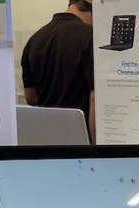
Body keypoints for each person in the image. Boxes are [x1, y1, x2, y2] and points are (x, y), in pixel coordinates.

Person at [21, 0, 96, 141]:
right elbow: (95, 98)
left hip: (45, 136)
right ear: (91, 9)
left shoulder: (35, 39)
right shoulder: (91, 36)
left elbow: (30, 97)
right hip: (78, 138)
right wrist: (96, 148)